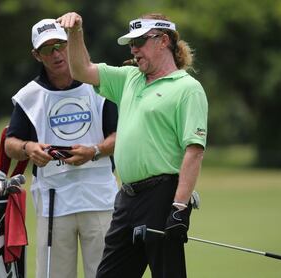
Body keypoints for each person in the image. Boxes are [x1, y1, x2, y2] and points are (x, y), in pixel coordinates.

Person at [57, 12, 208, 278]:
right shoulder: (129, 78)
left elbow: (194, 151)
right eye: (131, 43)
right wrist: (75, 32)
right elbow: (81, 70)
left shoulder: (188, 88)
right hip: (126, 199)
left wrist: (179, 208)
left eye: (140, 41)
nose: (134, 49)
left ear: (163, 41)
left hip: (162, 197)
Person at [4, 18, 119, 278]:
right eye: (47, 49)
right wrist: (28, 147)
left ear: (69, 44)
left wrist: (95, 151)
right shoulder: (29, 96)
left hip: (100, 199)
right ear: (37, 55)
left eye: (60, 45)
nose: (56, 54)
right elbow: (10, 143)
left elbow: (120, 135)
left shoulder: (99, 85)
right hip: (53, 202)